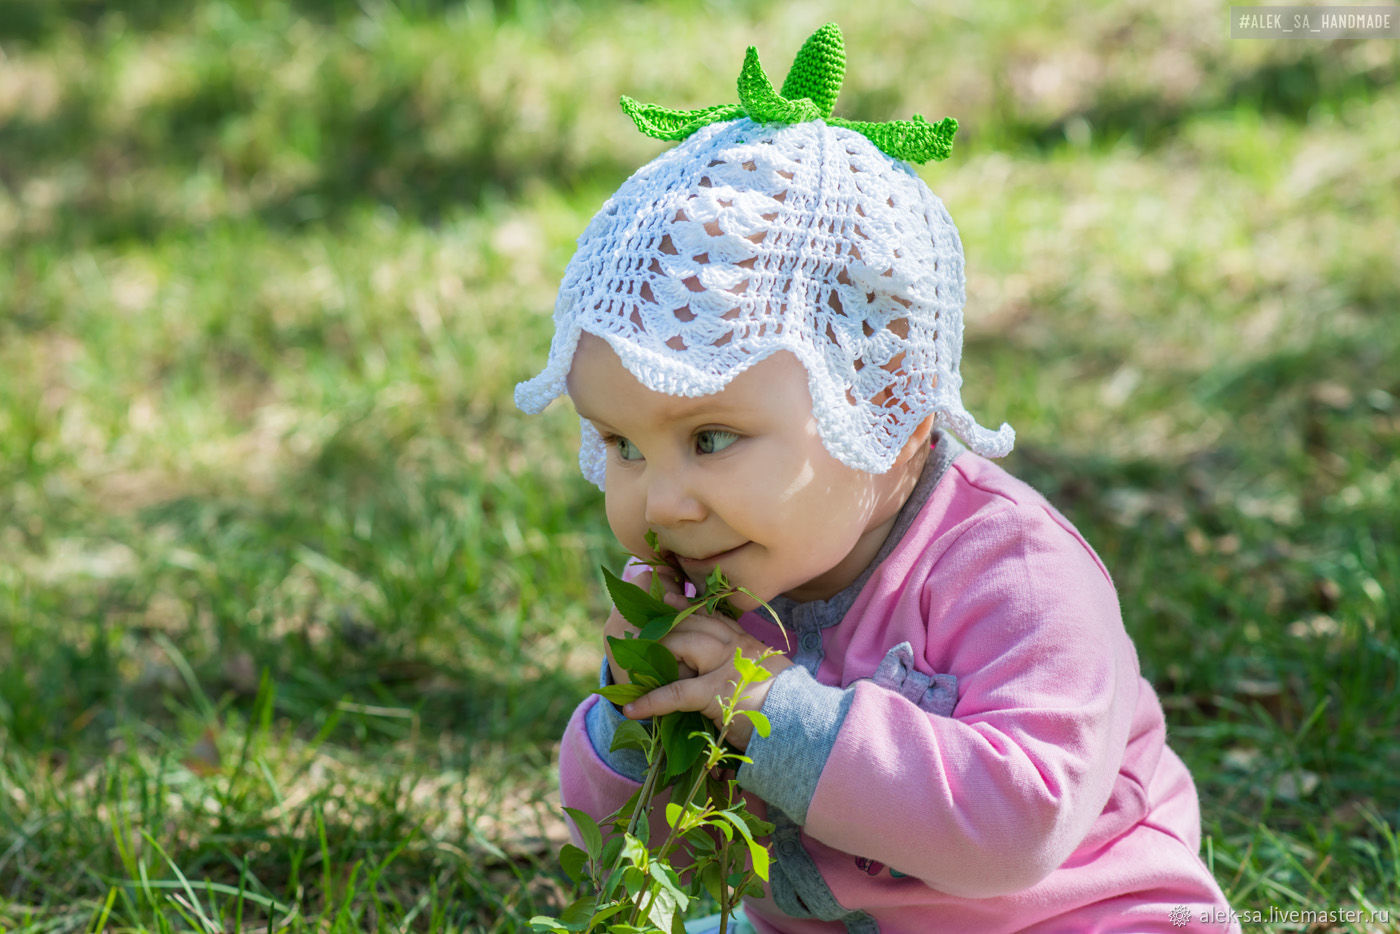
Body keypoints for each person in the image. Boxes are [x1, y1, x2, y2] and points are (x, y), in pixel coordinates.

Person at [516, 23, 1239, 934]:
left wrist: (767, 710)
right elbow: (655, 847)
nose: (661, 505)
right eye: (622, 445)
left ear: (887, 411)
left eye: (709, 438)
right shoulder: (719, 579)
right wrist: (637, 707)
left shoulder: (1013, 572)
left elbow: (1019, 824)